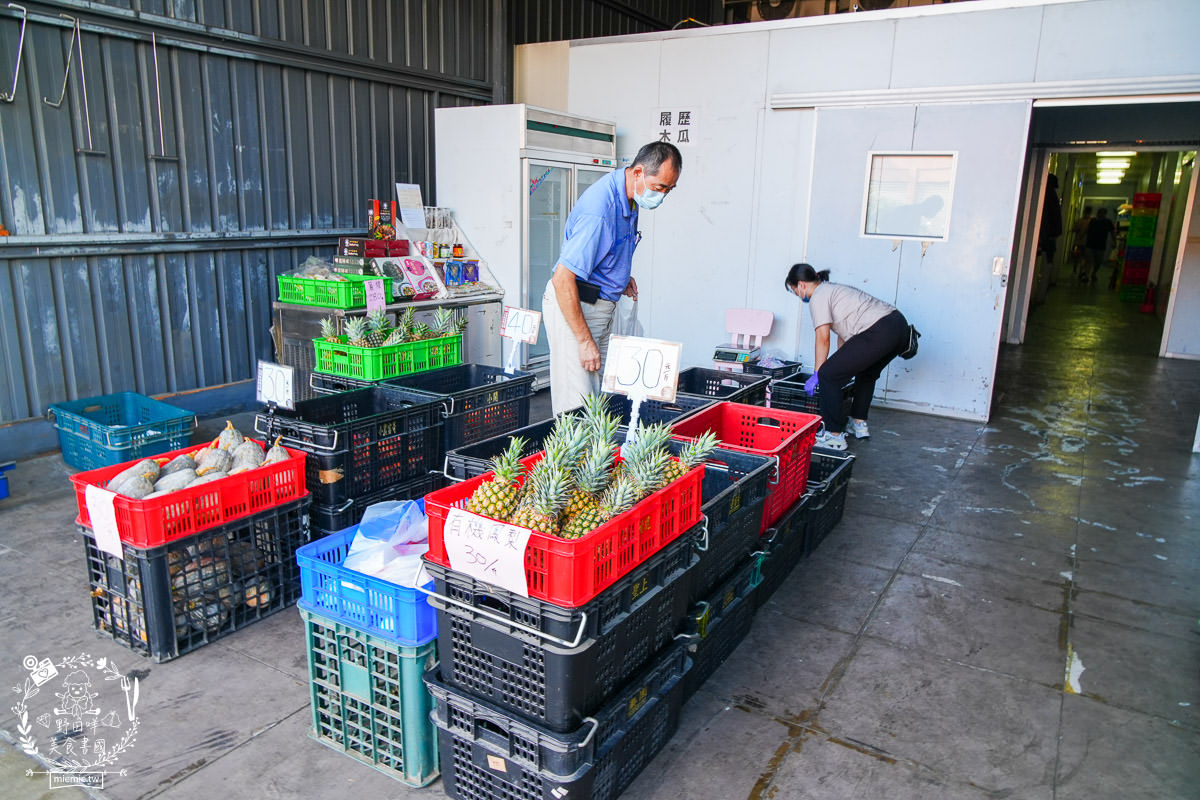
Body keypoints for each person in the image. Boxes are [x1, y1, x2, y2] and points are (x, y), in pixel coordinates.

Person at [542, 141, 682, 414]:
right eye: (660, 188)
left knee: (602, 393)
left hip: (599, 304)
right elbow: (562, 278)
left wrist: (619, 274)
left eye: (669, 190)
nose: (662, 196)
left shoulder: (629, 196)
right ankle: (575, 457)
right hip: (575, 305)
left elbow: (608, 248)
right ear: (639, 172)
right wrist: (583, 341)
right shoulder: (600, 210)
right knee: (579, 401)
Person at [784, 263, 912, 451]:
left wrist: (819, 373)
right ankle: (858, 423)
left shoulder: (818, 297)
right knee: (866, 373)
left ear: (801, 284)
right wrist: (840, 364)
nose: (798, 295)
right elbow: (846, 340)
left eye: (795, 291)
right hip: (898, 327)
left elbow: (823, 338)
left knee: (829, 375)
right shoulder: (833, 290)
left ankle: (833, 435)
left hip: (879, 329)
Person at [1084, 207, 1115, 285]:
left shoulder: (1108, 222)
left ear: (1105, 214)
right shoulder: (1093, 221)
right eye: (1099, 213)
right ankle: (1087, 276)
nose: (1100, 215)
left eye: (1102, 213)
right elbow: (1087, 230)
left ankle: (1094, 273)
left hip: (1100, 246)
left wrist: (1114, 241)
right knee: (1089, 261)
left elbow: (1112, 232)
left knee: (1098, 262)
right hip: (1090, 244)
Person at [1070, 205, 1093, 281]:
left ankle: (1078, 271)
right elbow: (1074, 229)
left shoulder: (1087, 221)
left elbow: (1073, 229)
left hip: (1082, 243)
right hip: (1081, 242)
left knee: (1081, 257)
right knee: (1078, 257)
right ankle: (1077, 270)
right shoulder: (1084, 221)